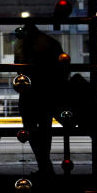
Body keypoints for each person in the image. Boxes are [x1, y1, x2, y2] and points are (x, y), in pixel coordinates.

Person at [14, 23, 67, 179]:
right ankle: (45, 165)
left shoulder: (20, 45)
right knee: (45, 130)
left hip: (28, 93)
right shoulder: (50, 43)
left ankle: (44, 165)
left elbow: (18, 68)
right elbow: (62, 68)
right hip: (47, 93)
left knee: (30, 129)